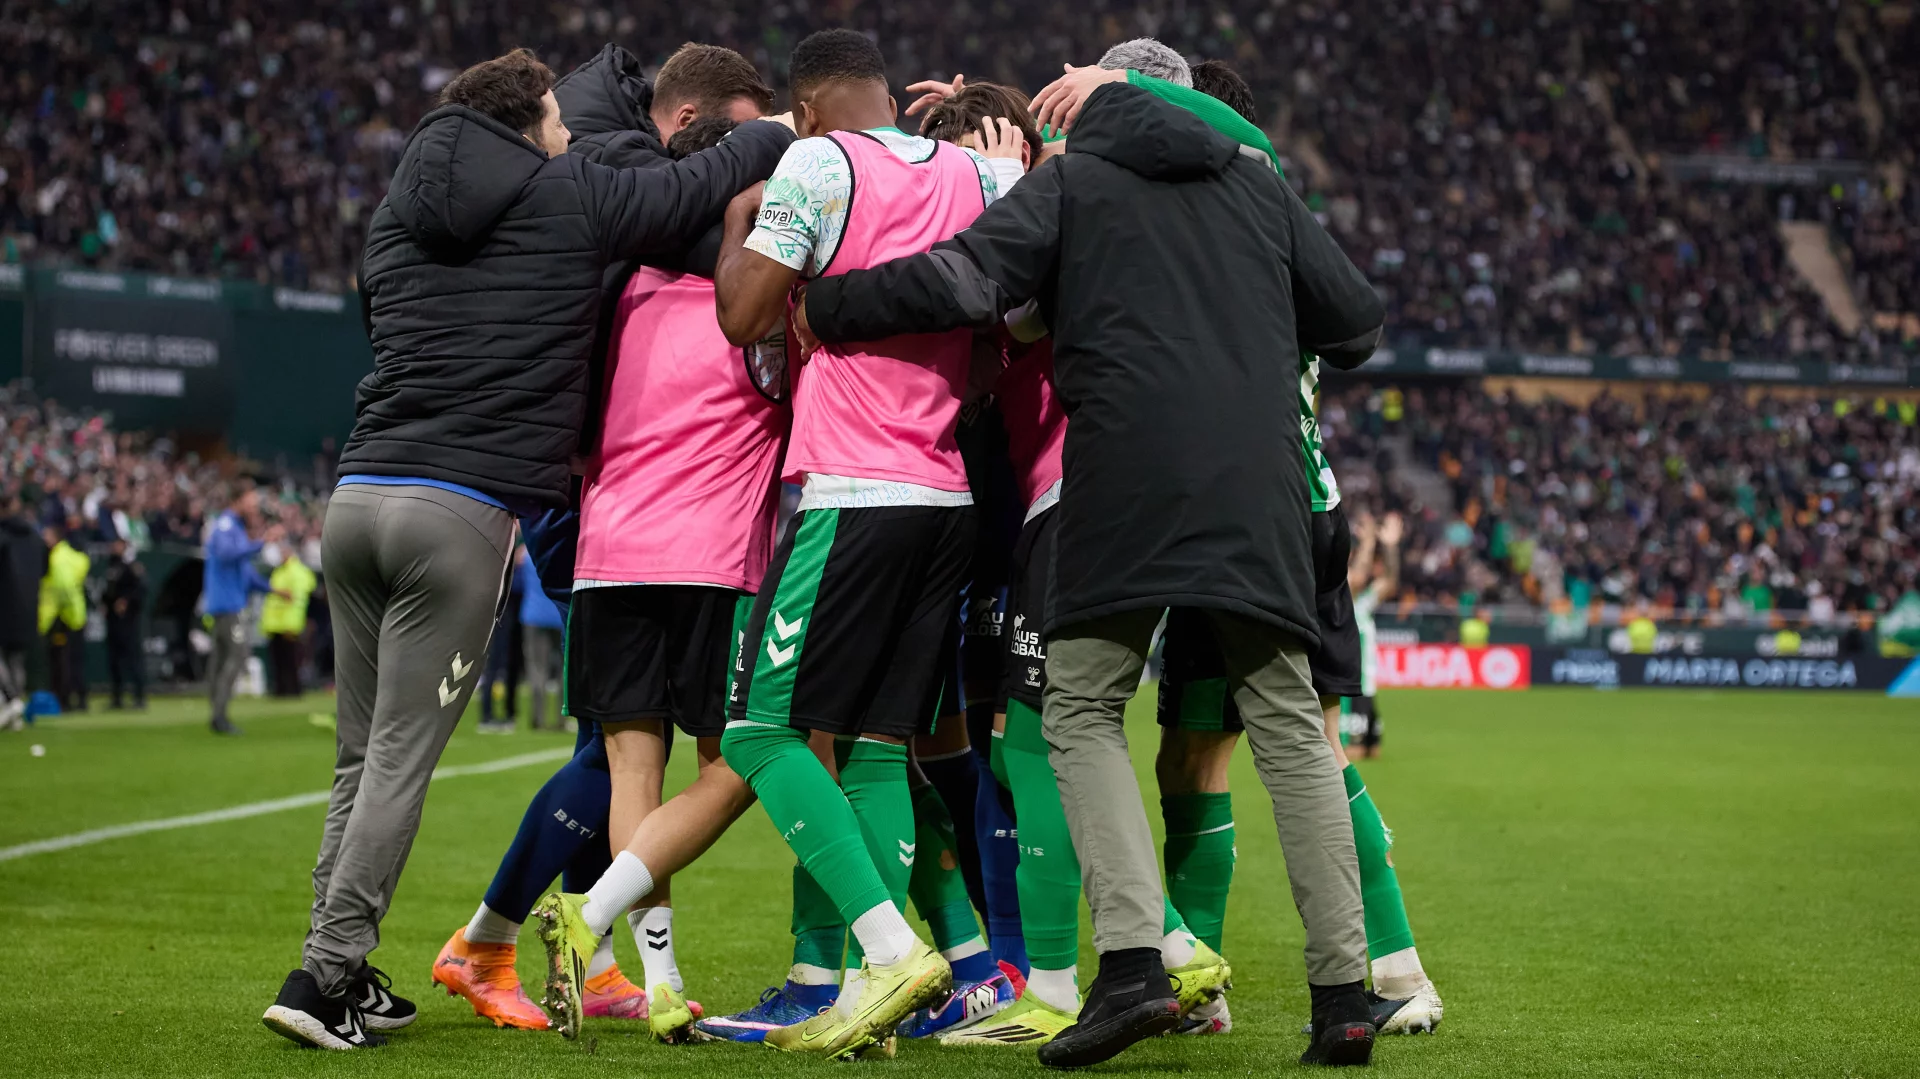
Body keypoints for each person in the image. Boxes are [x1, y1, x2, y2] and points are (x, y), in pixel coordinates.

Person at [794, 73, 1387, 1068]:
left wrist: (833, 301)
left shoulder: (1073, 182)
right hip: (1259, 483)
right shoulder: (1253, 180)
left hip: (1122, 479)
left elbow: (964, 282)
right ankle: (1344, 998)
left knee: (1078, 709)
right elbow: (1357, 326)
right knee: (1290, 727)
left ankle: (1132, 969)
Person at [261, 46, 795, 1051]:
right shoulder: (568, 193)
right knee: (400, 763)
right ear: (527, 127)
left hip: (359, 491)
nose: (570, 134)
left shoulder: (394, 215)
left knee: (358, 758)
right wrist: (781, 133)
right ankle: (324, 977)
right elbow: (695, 184)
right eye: (557, 122)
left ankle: (343, 964)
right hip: (456, 512)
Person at [615, 28, 1017, 1061]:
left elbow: (743, 313)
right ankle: (882, 976)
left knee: (758, 732)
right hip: (948, 492)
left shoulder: (818, 162)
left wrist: (739, 228)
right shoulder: (980, 175)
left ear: (804, 110)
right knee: (878, 747)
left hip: (847, 489)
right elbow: (1001, 337)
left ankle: (884, 952)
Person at [430, 42, 782, 1040]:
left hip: (605, 541)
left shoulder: (610, 268)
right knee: (742, 753)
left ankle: (638, 971)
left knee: (624, 759)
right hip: (697, 551)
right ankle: (515, 932)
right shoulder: (736, 297)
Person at [203, 483, 272, 735]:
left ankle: (216, 712)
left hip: (227, 603)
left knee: (221, 659)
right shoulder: (226, 525)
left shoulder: (235, 528)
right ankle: (219, 715)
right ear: (238, 500)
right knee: (236, 656)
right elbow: (226, 554)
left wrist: (272, 589)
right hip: (228, 605)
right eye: (251, 501)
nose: (254, 507)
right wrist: (260, 543)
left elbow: (245, 572)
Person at [0, 497, 48, 727]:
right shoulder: (34, 537)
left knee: (6, 659)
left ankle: (11, 700)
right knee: (17, 660)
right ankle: (15, 712)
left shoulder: (4, 536)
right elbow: (45, 569)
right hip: (28, 607)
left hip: (4, 605)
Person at [39, 522, 90, 714]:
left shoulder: (57, 559)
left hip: (63, 619)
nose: (44, 540)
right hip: (76, 615)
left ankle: (66, 699)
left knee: (63, 661)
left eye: (47, 536)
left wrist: (62, 613)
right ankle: (80, 698)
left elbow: (64, 588)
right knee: (75, 660)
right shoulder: (71, 556)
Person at [262, 543, 319, 698]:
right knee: (279, 660)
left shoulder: (297, 572)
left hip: (288, 623)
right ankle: (281, 690)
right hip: (276, 624)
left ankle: (293, 690)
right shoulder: (280, 571)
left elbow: (297, 601)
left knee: (291, 660)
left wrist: (291, 624)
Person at [517, 549, 564, 730]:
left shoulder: (527, 555)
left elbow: (517, 584)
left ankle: (538, 717)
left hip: (534, 616)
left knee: (537, 668)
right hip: (559, 614)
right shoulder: (563, 553)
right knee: (563, 669)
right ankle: (561, 718)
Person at [103, 539, 148, 709]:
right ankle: (117, 697)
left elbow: (141, 589)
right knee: (114, 660)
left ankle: (139, 696)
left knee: (133, 658)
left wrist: (126, 601)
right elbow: (107, 591)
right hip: (113, 621)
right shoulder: (111, 566)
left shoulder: (132, 567)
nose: (114, 547)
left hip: (129, 621)